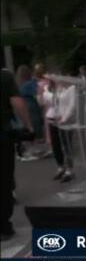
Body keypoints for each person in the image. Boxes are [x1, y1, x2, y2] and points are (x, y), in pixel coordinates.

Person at [1, 69, 34, 241]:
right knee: (4, 179)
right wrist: (29, 126)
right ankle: (3, 226)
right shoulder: (4, 76)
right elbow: (17, 102)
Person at [42, 80, 74, 183]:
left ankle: (69, 170)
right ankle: (60, 167)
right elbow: (47, 101)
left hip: (65, 120)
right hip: (53, 119)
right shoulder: (50, 89)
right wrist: (47, 90)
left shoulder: (70, 88)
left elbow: (71, 105)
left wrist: (64, 118)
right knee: (56, 145)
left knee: (66, 145)